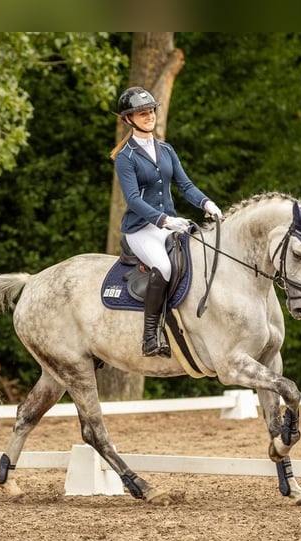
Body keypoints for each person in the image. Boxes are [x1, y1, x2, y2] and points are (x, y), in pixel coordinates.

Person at [110, 86, 222, 357]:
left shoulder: (166, 150)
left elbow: (185, 184)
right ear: (128, 119)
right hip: (141, 229)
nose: (149, 116)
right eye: (141, 113)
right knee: (163, 266)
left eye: (150, 111)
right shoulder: (125, 159)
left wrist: (207, 203)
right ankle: (150, 337)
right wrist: (164, 221)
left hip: (169, 223)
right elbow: (134, 200)